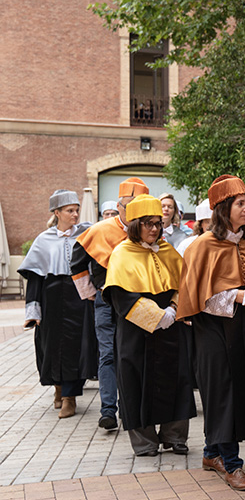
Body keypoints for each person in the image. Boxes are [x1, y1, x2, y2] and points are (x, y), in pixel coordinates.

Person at [178, 175, 245, 492]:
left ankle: (211, 452)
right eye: (241, 204)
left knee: (236, 391)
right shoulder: (202, 246)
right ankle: (232, 464)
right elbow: (197, 296)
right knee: (223, 393)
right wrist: (240, 296)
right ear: (223, 208)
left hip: (243, 331)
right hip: (213, 332)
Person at [102, 194, 195, 456]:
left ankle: (175, 435)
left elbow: (183, 284)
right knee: (136, 381)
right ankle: (145, 442)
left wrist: (174, 309)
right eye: (147, 223)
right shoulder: (121, 253)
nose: (154, 229)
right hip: (136, 332)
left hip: (171, 326)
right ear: (135, 225)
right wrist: (156, 318)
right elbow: (120, 297)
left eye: (157, 223)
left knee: (177, 378)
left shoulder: (168, 251)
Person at [72, 177, 151, 431]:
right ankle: (108, 410)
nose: (132, 212)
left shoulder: (148, 231)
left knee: (136, 354)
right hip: (106, 302)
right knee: (108, 354)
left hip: (140, 302)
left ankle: (132, 407)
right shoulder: (100, 230)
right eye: (128, 206)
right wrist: (91, 293)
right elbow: (77, 261)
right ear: (119, 206)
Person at [20, 189, 96, 419]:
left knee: (77, 346)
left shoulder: (85, 235)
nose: (75, 214)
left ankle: (70, 397)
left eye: (76, 210)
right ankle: (58, 388)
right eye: (70, 211)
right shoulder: (44, 240)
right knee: (50, 344)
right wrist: (33, 311)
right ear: (57, 213)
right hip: (51, 296)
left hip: (78, 295)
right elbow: (35, 277)